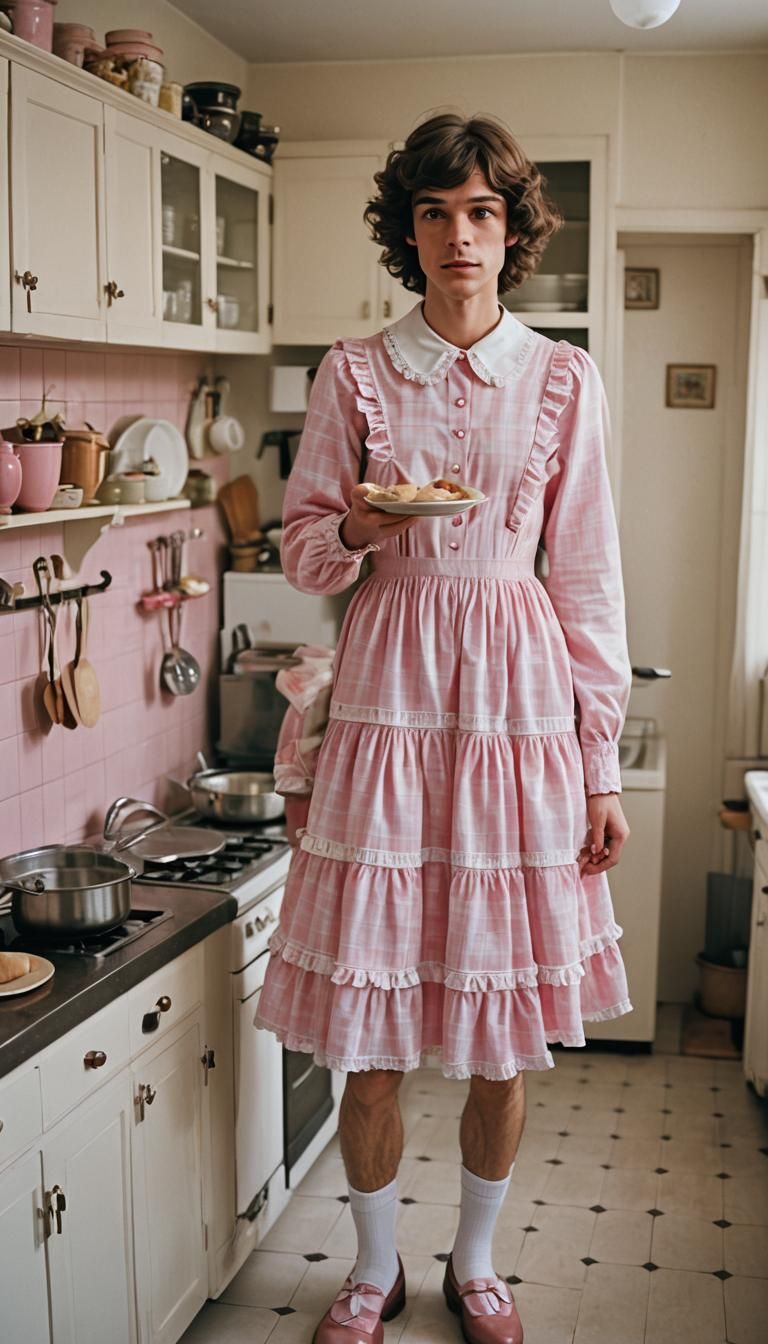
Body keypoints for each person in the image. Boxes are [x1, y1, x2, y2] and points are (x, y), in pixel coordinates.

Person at [255, 111, 632, 1344]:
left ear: (512, 231)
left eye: (481, 212)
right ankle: (374, 1272)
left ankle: (475, 1263)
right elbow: (303, 549)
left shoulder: (562, 377)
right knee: (369, 1042)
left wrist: (599, 765)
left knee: (499, 1042)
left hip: (516, 711)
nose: (459, 235)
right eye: (435, 212)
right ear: (406, 230)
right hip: (387, 700)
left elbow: (588, 580)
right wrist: (364, 527)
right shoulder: (353, 370)